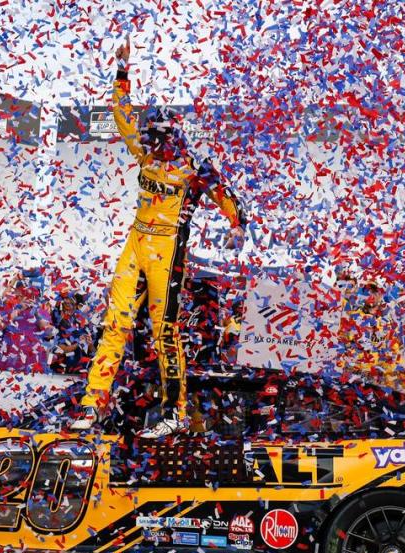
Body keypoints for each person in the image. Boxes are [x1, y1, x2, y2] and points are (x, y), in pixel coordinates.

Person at [69, 36, 247, 438]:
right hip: (136, 241)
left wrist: (238, 230)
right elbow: (121, 115)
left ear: (173, 138)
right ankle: (92, 404)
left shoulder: (196, 170)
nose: (151, 145)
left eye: (158, 139)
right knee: (114, 323)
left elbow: (233, 204)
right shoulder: (145, 156)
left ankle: (175, 412)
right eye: (150, 138)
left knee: (165, 332)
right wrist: (121, 71)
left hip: (167, 250)